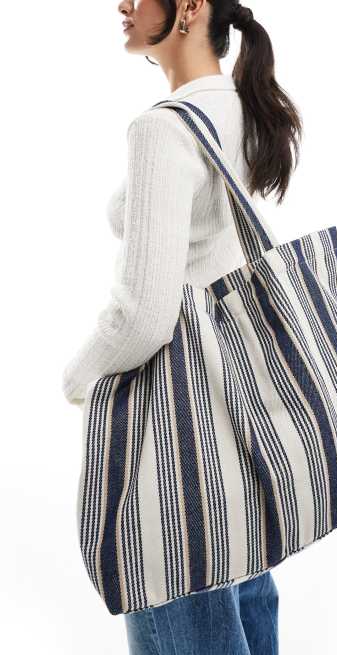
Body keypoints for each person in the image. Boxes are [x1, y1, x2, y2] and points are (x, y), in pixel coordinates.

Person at [62, 0, 302, 652]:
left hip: (176, 454)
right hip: (238, 436)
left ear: (190, 7)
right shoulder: (243, 108)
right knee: (248, 603)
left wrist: (78, 378)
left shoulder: (162, 131)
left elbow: (144, 314)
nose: (122, 5)